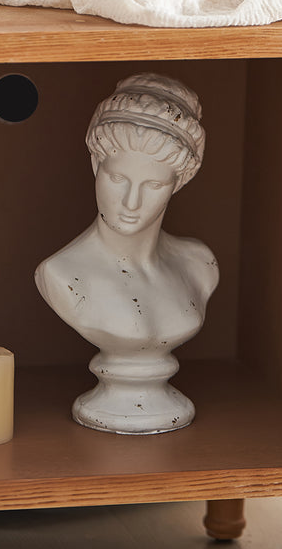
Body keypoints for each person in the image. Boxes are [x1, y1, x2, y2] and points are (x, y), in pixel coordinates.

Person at [35, 72, 219, 433]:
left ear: (178, 183)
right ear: (95, 166)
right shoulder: (61, 274)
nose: (130, 203)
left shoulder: (201, 266)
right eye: (117, 179)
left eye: (152, 184)